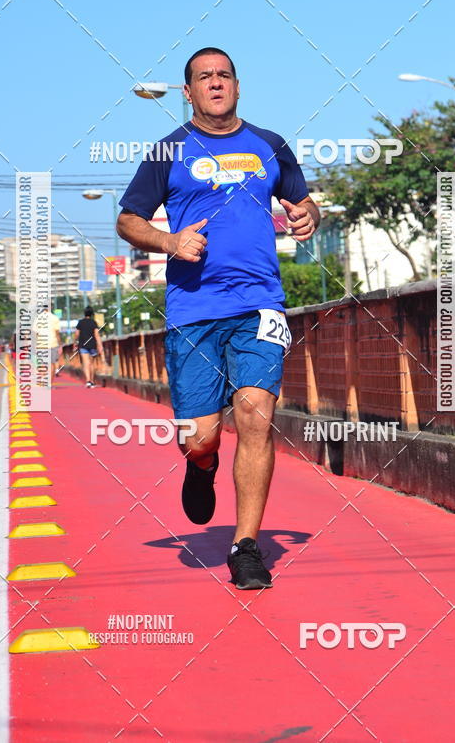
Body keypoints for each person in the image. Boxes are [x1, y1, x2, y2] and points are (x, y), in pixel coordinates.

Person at [117, 47, 320, 590]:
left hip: (259, 304)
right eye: (204, 77)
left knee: (255, 414)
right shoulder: (167, 151)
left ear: (237, 85)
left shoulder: (270, 145)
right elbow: (128, 220)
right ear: (188, 93)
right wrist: (169, 241)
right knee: (200, 436)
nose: (215, 82)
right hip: (194, 309)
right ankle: (200, 464)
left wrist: (307, 215)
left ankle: (245, 547)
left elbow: (304, 202)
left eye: (224, 75)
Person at [74, 306, 104, 388]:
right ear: (92, 314)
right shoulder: (93, 322)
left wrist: (75, 342)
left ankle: (88, 381)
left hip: (83, 345)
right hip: (92, 345)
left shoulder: (80, 322)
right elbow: (97, 335)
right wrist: (100, 345)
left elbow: (76, 334)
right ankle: (92, 381)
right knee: (92, 363)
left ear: (84, 313)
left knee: (86, 363)